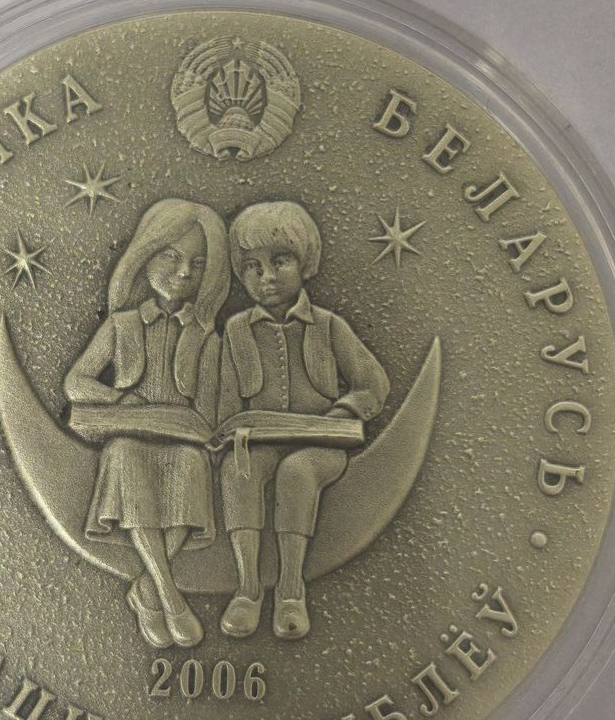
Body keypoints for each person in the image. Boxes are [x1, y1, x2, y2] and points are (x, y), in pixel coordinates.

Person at [218, 201, 390, 640]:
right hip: (259, 443)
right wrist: (231, 427)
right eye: (253, 267)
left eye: (279, 261)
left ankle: (291, 589)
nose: (267, 277)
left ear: (306, 262)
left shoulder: (328, 326)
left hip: (321, 446)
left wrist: (341, 414)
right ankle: (248, 588)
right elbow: (226, 398)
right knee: (238, 470)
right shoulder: (237, 330)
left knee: (296, 472)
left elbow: (372, 384)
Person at [63, 199, 228, 649]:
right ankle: (168, 597)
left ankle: (149, 588)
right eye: (170, 255)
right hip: (129, 434)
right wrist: (117, 398)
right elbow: (76, 381)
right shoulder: (121, 325)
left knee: (190, 463)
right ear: (144, 255)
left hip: (181, 440)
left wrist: (204, 428)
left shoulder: (206, 336)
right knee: (124, 454)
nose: (184, 272)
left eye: (198, 264)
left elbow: (209, 407)